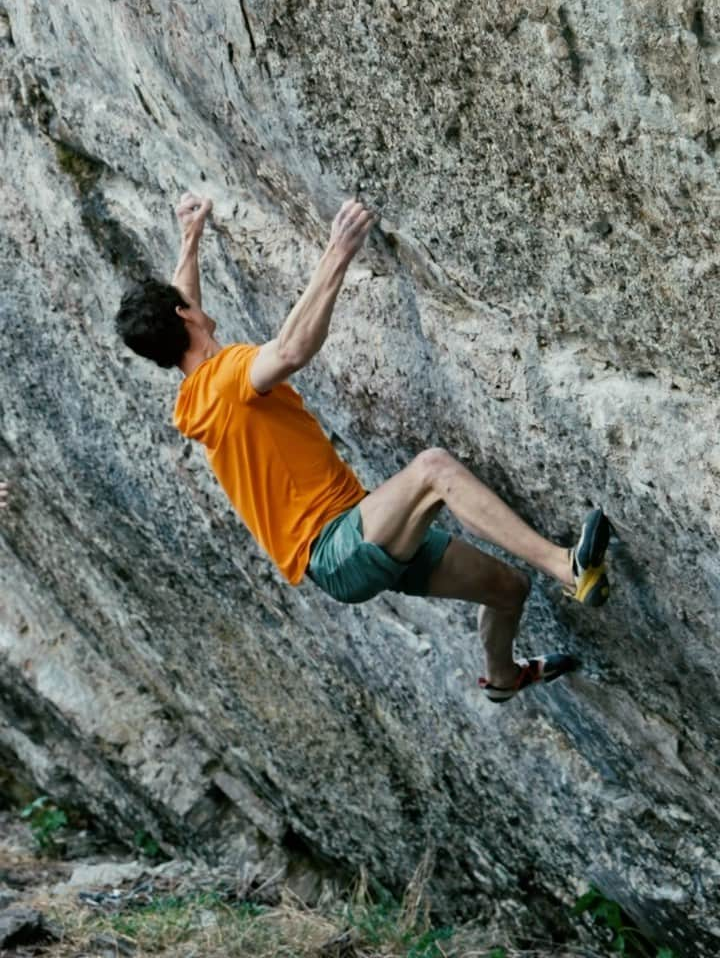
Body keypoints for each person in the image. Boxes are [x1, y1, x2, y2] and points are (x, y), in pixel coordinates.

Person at [116, 192, 610, 704]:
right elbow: (289, 350)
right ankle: (565, 566)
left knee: (508, 590)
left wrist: (191, 237)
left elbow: (182, 305)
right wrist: (337, 252)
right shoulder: (225, 377)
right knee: (433, 471)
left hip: (355, 539)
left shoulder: (194, 396)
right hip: (339, 545)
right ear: (186, 315)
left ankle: (503, 679)